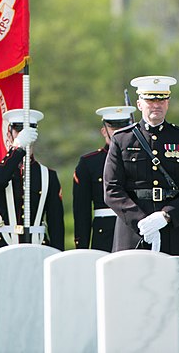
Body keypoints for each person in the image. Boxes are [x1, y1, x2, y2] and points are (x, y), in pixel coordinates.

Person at [103, 76, 179, 255]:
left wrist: (167, 215)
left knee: (177, 282)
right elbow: (112, 189)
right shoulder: (122, 139)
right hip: (134, 231)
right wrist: (141, 221)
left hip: (174, 228)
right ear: (139, 104)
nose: (156, 105)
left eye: (162, 99)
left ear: (168, 103)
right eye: (150, 99)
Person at [0, 108, 64, 250]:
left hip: (38, 246)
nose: (23, 134)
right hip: (4, 244)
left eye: (29, 130)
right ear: (10, 132)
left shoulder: (47, 175)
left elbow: (56, 223)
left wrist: (58, 256)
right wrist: (17, 147)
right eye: (18, 129)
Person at [72, 105, 136, 251]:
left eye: (124, 127)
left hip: (134, 229)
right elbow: (82, 211)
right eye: (114, 128)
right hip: (105, 234)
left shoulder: (141, 157)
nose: (119, 132)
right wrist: (82, 248)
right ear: (104, 131)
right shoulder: (89, 163)